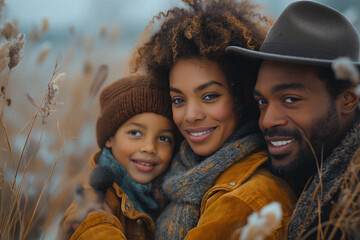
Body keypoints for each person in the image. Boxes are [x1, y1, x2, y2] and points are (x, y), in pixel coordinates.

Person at [132, 0, 297, 239]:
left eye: (210, 96)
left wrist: (94, 222)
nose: (190, 115)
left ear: (241, 96)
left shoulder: (248, 198)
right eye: (178, 100)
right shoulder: (176, 171)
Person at [227, 1, 360, 239]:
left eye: (290, 99)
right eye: (262, 101)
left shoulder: (348, 215)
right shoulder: (304, 172)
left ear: (348, 100)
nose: (268, 121)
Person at [58, 75, 177, 240]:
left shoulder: (172, 196)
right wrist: (97, 224)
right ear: (109, 139)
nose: (149, 148)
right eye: (135, 133)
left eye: (164, 138)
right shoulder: (95, 200)